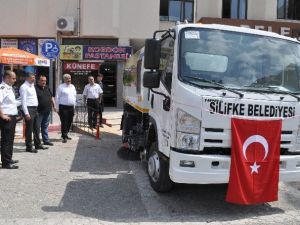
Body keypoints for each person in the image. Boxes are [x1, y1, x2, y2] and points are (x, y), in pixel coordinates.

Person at [20, 72, 47, 153]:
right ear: (27, 78)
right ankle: (29, 147)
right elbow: (23, 101)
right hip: (29, 109)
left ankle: (37, 144)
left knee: (36, 128)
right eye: (32, 77)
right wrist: (26, 113)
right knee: (29, 129)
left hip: (35, 109)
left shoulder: (32, 86)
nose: (34, 79)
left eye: (34, 77)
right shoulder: (24, 87)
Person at [0, 70, 19, 169]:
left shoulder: (9, 88)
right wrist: (2, 115)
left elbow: (11, 103)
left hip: (12, 117)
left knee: (10, 140)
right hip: (6, 118)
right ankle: (6, 162)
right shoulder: (2, 88)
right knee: (6, 140)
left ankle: (9, 158)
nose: (15, 80)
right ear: (7, 78)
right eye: (13, 78)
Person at [35, 75, 57, 146]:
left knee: (45, 126)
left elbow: (52, 97)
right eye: (42, 80)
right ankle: (37, 142)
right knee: (37, 128)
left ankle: (46, 140)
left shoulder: (47, 87)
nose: (44, 82)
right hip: (38, 111)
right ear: (38, 81)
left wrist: (54, 105)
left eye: (45, 80)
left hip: (47, 111)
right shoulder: (35, 88)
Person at [56, 74, 77, 143]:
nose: (69, 80)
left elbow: (74, 97)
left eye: (70, 78)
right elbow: (57, 97)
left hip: (71, 107)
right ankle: (64, 136)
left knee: (70, 121)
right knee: (64, 122)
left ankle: (66, 133)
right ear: (64, 79)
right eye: (67, 78)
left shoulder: (73, 86)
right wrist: (57, 108)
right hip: (63, 107)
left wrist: (74, 106)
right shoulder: (61, 87)